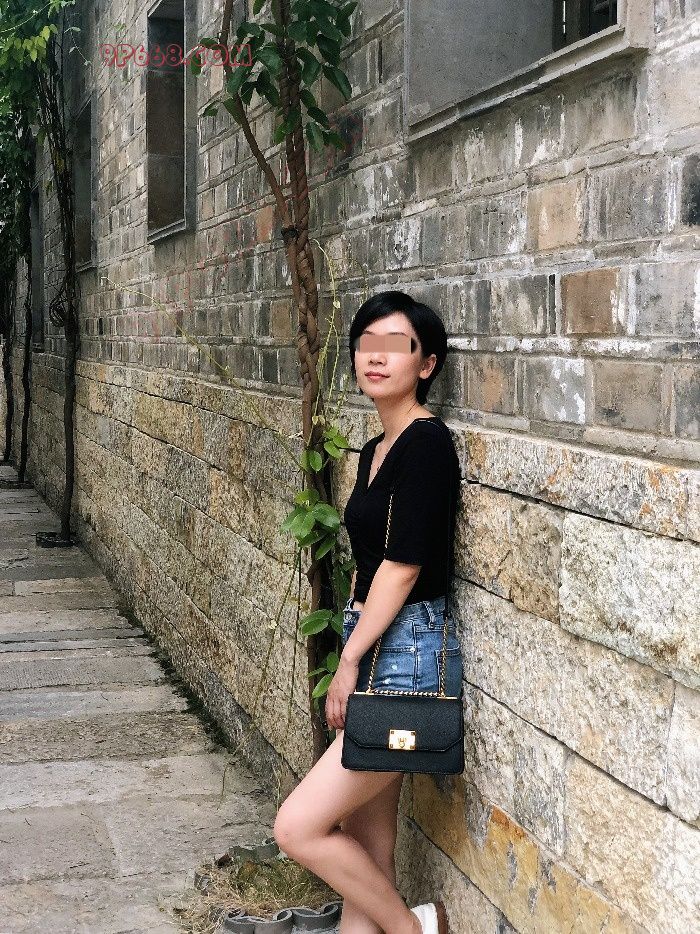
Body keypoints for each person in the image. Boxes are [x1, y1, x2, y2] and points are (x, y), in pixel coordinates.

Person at [273, 291, 462, 934]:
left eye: (395, 345)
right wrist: (353, 640)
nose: (375, 357)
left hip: (403, 655)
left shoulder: (426, 445)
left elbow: (403, 566)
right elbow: (367, 559)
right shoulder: (375, 448)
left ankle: (413, 930)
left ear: (426, 364)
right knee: (367, 845)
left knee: (298, 827)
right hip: (372, 636)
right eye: (365, 344)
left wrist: (349, 660)